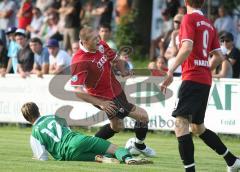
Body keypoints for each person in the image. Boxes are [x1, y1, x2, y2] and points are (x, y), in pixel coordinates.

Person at [160, 0, 240, 172]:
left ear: (186, 2)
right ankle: (232, 160)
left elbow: (187, 47)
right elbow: (218, 56)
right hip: (204, 79)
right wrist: (206, 68)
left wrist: (170, 70)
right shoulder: (210, 24)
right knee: (197, 127)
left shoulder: (188, 19)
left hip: (192, 78)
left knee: (181, 124)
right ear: (203, 3)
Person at [71, 27, 156, 157]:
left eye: (98, 37)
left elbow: (117, 59)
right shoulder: (79, 61)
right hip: (106, 99)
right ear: (84, 42)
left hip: (116, 90)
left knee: (117, 126)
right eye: (94, 39)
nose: (99, 41)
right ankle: (138, 146)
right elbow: (78, 91)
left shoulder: (100, 45)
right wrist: (101, 103)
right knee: (143, 116)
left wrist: (123, 72)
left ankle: (90, 144)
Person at [21, 102, 152, 164]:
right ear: (38, 110)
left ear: (26, 118)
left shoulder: (34, 134)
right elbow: (67, 129)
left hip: (66, 156)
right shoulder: (54, 117)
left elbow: (42, 157)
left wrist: (37, 157)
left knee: (98, 156)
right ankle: (128, 159)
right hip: (77, 140)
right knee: (115, 149)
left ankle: (103, 159)